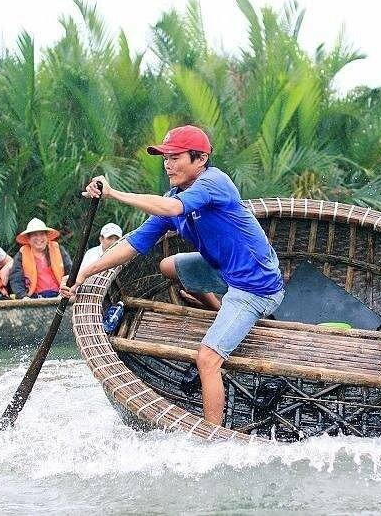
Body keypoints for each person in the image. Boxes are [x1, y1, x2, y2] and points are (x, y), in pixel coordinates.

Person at [61, 125, 285, 426]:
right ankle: (221, 311)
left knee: (206, 359)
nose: (167, 164)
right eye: (164, 157)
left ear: (200, 159)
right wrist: (83, 275)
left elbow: (172, 207)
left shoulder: (214, 182)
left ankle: (213, 439)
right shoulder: (175, 194)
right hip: (224, 273)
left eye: (175, 157)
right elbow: (134, 242)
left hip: (256, 287)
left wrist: (113, 193)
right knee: (167, 266)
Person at [9, 218, 72, 299]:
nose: (39, 238)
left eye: (42, 234)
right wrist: (23, 296)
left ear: (47, 236)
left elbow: (70, 271)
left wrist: (66, 291)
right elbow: (15, 279)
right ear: (28, 239)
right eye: (34, 235)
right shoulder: (22, 254)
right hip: (33, 298)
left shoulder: (58, 249)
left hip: (60, 295)